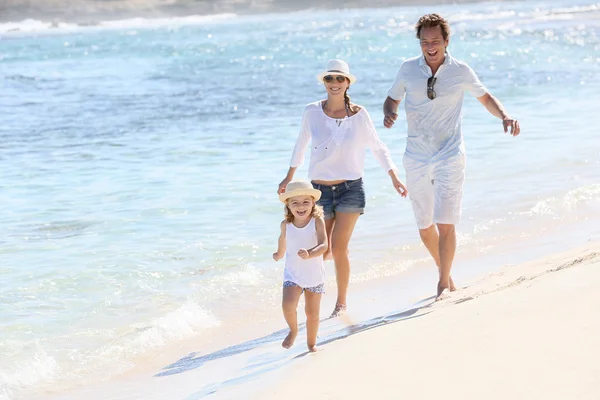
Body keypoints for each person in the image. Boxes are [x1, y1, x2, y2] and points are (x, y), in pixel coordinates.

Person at [382, 13, 521, 300]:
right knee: (424, 227)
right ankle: (445, 271)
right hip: (416, 156)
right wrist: (389, 111)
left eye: (435, 40)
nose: (430, 46)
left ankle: (442, 284)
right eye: (424, 41)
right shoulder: (408, 69)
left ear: (446, 41)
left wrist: (504, 115)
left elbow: (485, 97)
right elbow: (392, 98)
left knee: (446, 222)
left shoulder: (461, 71)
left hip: (449, 155)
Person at [278, 59, 407, 318]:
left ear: (347, 83)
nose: (334, 83)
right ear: (324, 83)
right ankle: (305, 287)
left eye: (339, 79)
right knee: (320, 249)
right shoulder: (311, 112)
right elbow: (300, 145)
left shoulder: (359, 114)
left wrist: (393, 175)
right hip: (319, 192)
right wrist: (288, 177)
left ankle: (341, 303)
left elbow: (378, 147)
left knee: (339, 248)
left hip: (351, 189)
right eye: (329, 79)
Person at [273, 181, 328, 352]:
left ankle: (311, 344)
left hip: (314, 276)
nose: (301, 206)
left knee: (312, 314)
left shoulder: (316, 221)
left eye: (306, 201)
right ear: (288, 205)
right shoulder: (286, 225)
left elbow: (324, 245)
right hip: (293, 274)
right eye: (295, 203)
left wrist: (310, 253)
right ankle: (294, 329)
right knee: (287, 305)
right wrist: (279, 253)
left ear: (313, 202)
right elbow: (283, 240)